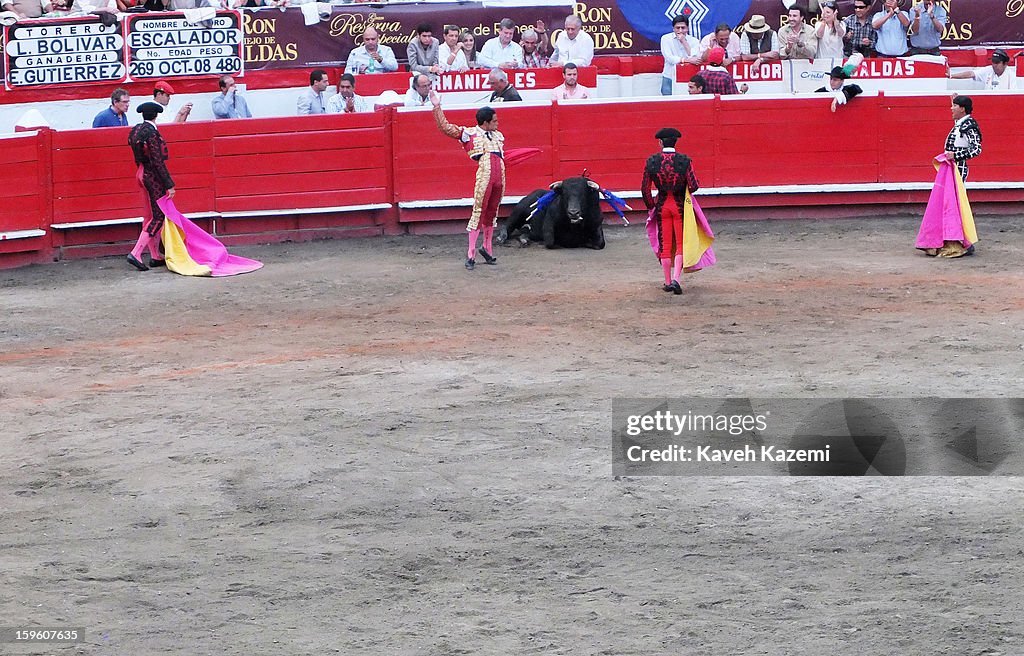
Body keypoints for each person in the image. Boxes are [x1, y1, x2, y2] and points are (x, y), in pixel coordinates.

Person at [429, 91, 505, 270]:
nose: (497, 123)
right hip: (485, 172)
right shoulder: (468, 134)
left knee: (492, 211)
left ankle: (487, 248)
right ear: (485, 123)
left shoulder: (498, 135)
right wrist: (437, 107)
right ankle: (471, 254)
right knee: (479, 211)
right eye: (494, 121)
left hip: (500, 174)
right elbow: (446, 128)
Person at [641, 127, 714, 295]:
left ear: (660, 142)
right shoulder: (684, 161)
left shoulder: (652, 161)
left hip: (662, 207)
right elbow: (694, 186)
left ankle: (667, 282)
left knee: (665, 244)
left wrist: (652, 206)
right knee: (681, 243)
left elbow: (645, 189)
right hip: (680, 207)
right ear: (676, 142)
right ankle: (676, 280)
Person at [915, 95, 981, 258]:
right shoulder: (963, 123)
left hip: (958, 169)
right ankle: (957, 240)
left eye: (954, 106)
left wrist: (955, 155)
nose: (951, 109)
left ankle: (963, 242)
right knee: (952, 205)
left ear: (962, 109)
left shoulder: (969, 126)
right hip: (953, 169)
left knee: (956, 206)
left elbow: (976, 149)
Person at [126, 102, 174, 271]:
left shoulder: (136, 130)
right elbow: (157, 161)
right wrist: (169, 184)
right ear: (156, 115)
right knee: (158, 216)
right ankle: (136, 253)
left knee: (149, 215)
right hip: (151, 175)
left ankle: (154, 255)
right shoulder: (151, 133)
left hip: (140, 172)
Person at [660, 14, 701, 96]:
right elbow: (669, 58)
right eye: (677, 28)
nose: (680, 30)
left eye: (683, 28)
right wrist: (686, 60)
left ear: (687, 28)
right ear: (673, 28)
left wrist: (684, 42)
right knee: (668, 103)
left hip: (688, 77)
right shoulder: (665, 39)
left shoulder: (694, 41)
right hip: (669, 76)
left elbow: (695, 58)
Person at [949, 49, 1015, 91]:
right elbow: (971, 74)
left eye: (997, 63)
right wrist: (951, 75)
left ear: (1005, 63)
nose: (994, 65)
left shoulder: (1011, 75)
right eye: (993, 62)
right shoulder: (989, 69)